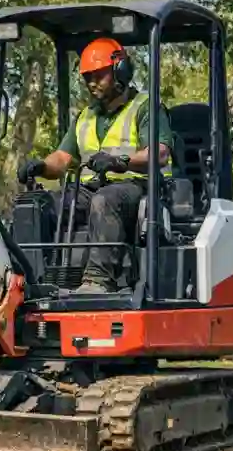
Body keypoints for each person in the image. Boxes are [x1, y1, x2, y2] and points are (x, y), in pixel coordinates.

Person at [17, 36, 174, 293]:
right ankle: (34, 279)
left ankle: (98, 281)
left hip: (138, 187)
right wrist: (40, 166)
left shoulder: (146, 107)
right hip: (90, 189)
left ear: (120, 70)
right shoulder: (86, 116)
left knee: (104, 199)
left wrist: (119, 161)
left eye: (99, 75)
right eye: (87, 77)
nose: (92, 83)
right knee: (39, 204)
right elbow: (63, 159)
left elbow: (159, 154)